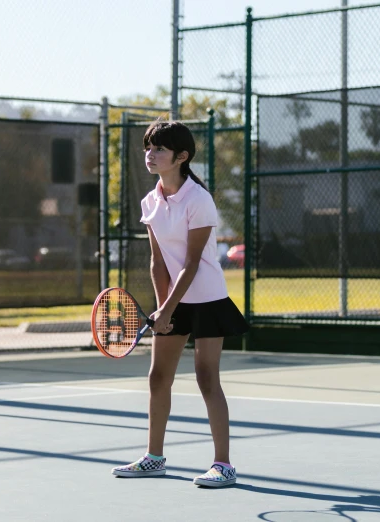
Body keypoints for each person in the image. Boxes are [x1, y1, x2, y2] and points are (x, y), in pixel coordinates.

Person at [111, 120, 249, 488]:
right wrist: (162, 309)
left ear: (181, 156)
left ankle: (223, 464)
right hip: (172, 301)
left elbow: (191, 263)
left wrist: (169, 309)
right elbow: (158, 261)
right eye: (148, 148)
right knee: (158, 377)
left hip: (206, 298)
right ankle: (154, 458)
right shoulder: (150, 202)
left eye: (158, 149)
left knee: (207, 379)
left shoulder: (199, 200)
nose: (149, 155)